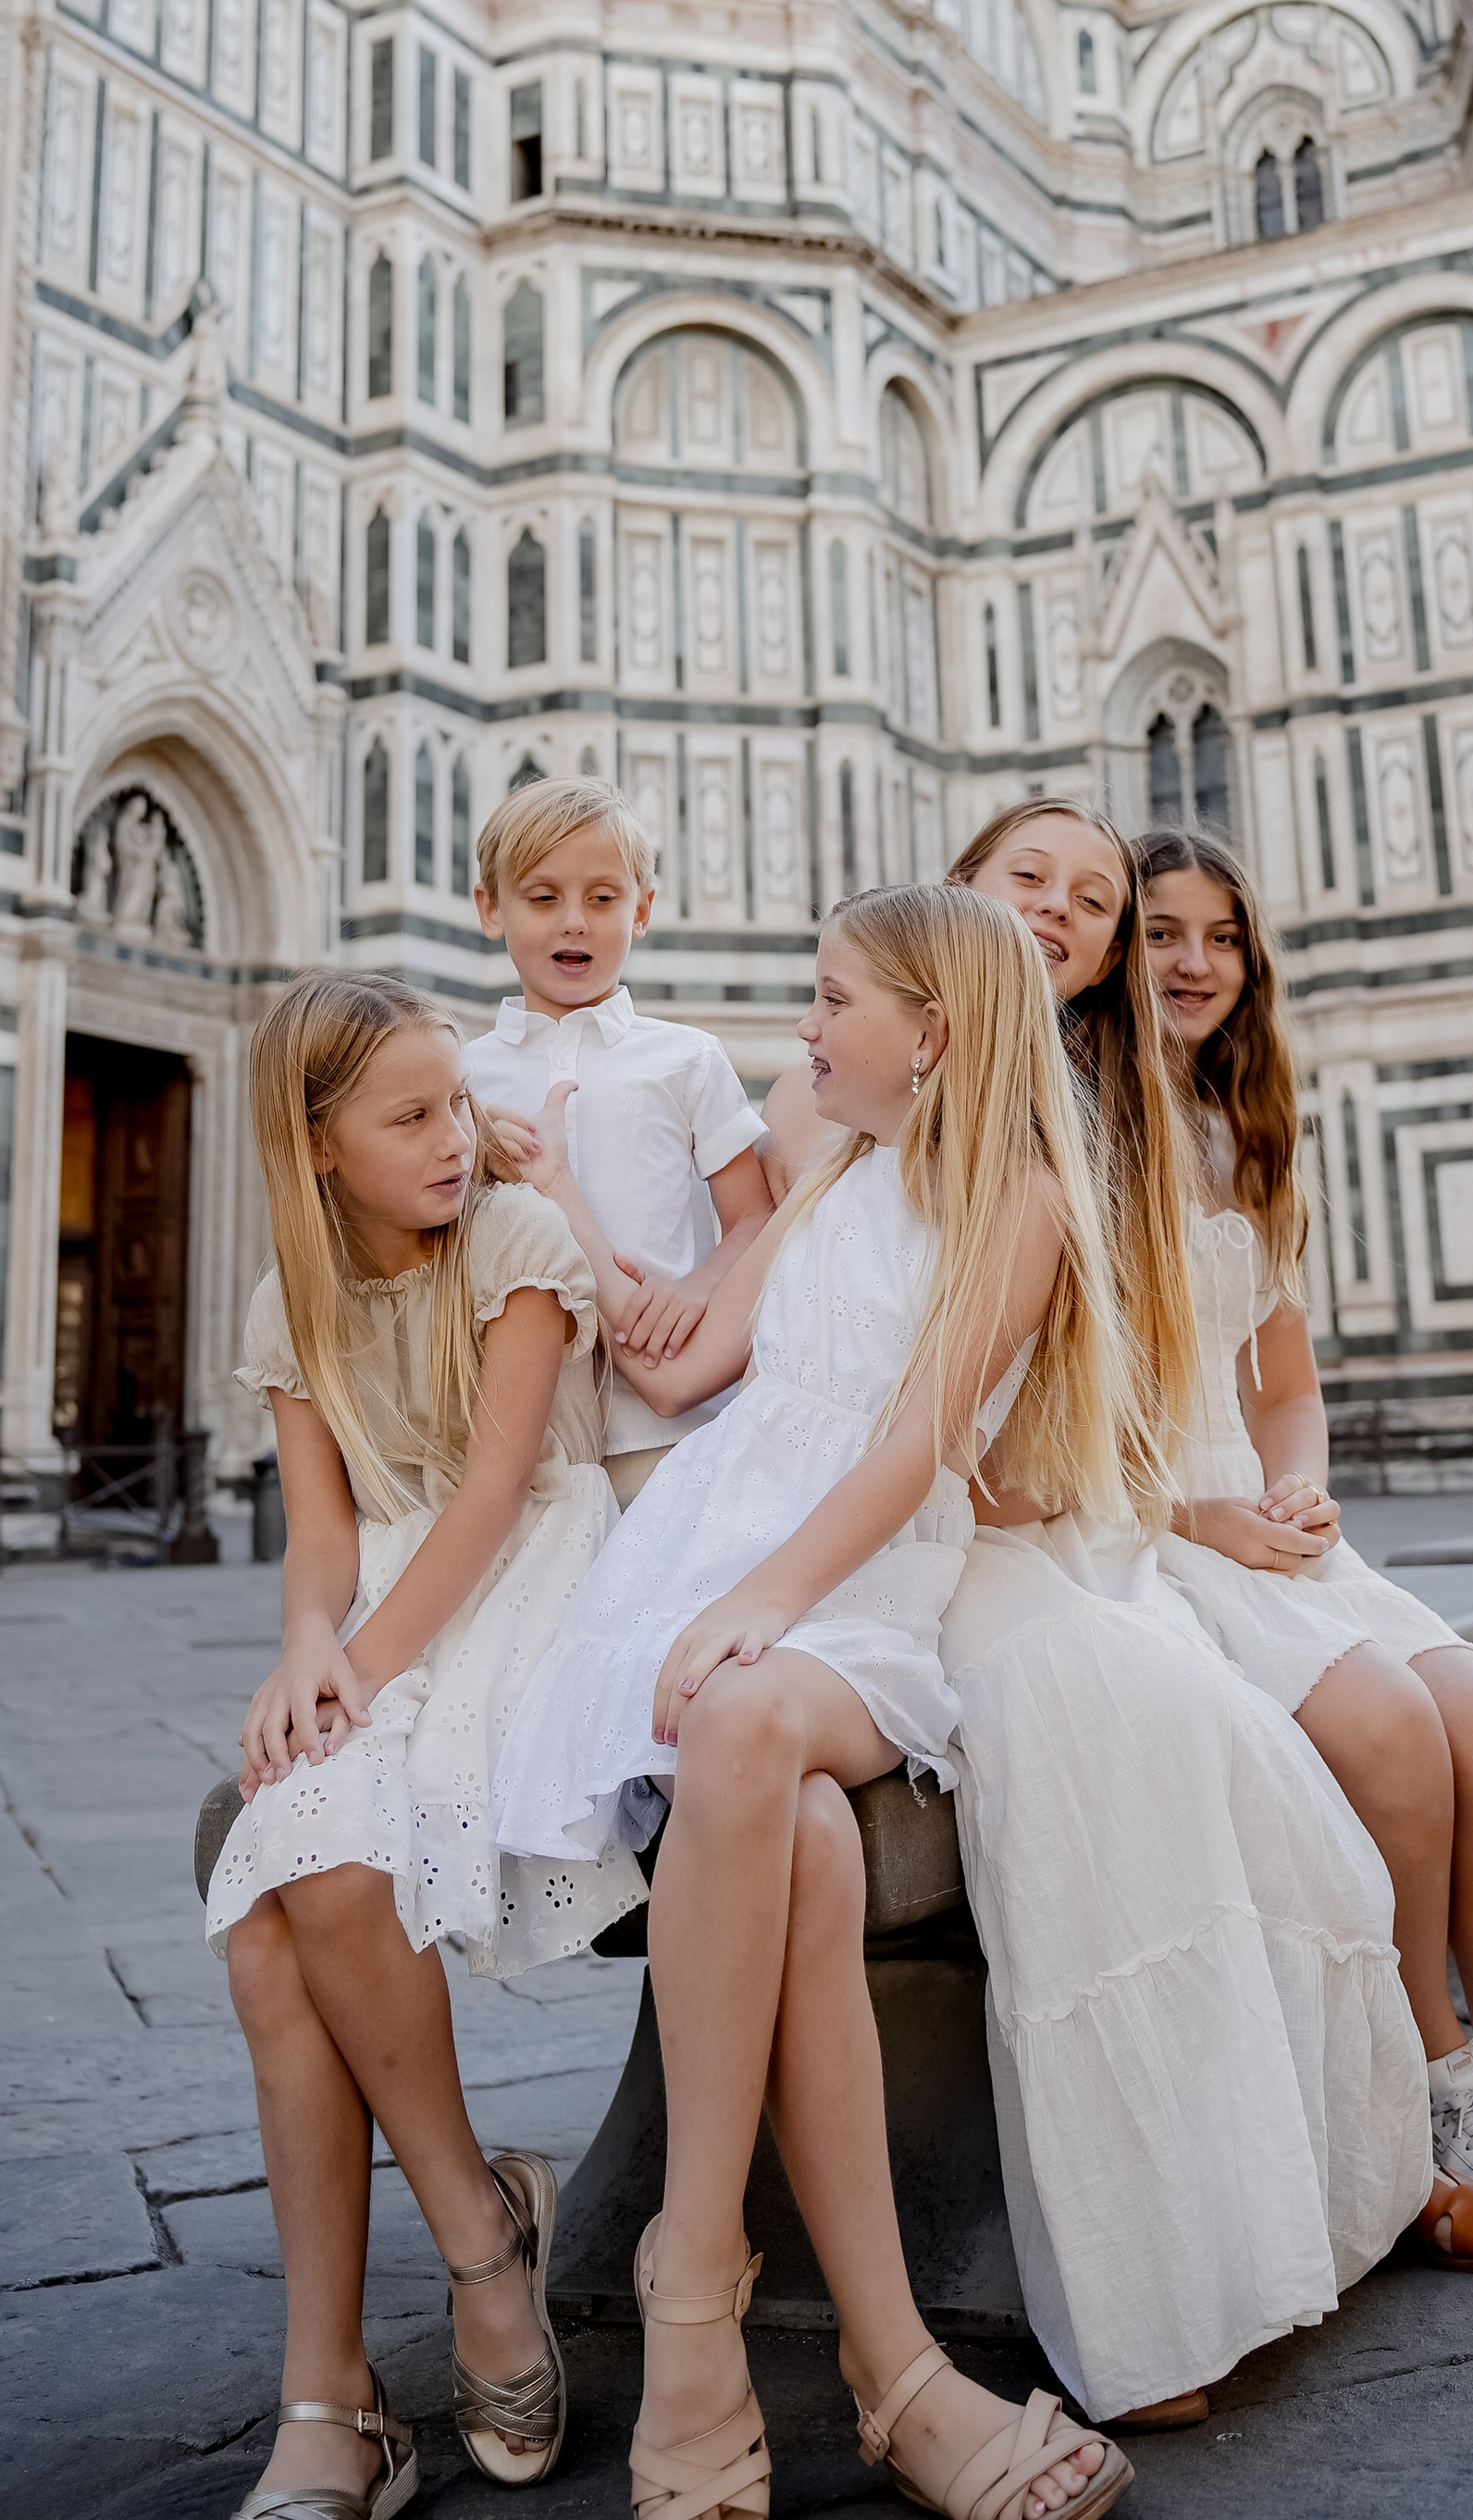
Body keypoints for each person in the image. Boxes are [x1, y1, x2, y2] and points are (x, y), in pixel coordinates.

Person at [792, 801, 1454, 2432]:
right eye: (1034, 883)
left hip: (1035, 1541)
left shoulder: (1062, 1146)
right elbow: (743, 1339)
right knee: (1112, 1759)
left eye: (1098, 900)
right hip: (902, 1568)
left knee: (1240, 1772)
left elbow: (1058, 1424)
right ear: (952, 904)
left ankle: (1301, 2213)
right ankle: (1163, 2297)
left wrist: (1044, 1487)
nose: (1071, 915)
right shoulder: (834, 1098)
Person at [493, 885, 1137, 2520]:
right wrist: (559, 1189)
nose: (803, 1024)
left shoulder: (1025, 1204)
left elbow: (918, 1434)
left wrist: (765, 1603)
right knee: (801, 1838)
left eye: (832, 997)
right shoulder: (829, 1152)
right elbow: (684, 1368)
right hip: (708, 1557)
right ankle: (896, 2369)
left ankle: (693, 2270)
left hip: (856, 1593)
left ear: (928, 1030)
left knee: (752, 1718)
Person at [1136, 825, 1473, 2228]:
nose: (1195, 961)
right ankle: (1435, 2081)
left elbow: (1288, 1383)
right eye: (1159, 931)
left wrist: (1298, 1484)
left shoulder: (1241, 1134)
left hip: (1259, 1513)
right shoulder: (1070, 1134)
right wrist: (1205, 1516)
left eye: (1221, 936)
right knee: (1388, 1727)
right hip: (1146, 1524)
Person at [205, 972, 636, 2513]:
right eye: (412, 1117)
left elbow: (496, 1491)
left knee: (297, 1894)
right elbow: (325, 1537)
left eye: (458, 1101)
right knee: (268, 1922)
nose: (456, 1136)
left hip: (530, 1595)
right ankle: (453, 2264)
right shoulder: (288, 1300)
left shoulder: (515, 1244)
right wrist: (308, 1655)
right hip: (394, 1601)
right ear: (317, 1147)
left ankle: (354, 2381)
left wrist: (361, 1676)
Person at [464, 777, 772, 1509]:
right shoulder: (464, 1074)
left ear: (641, 910)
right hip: (515, 1433)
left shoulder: (687, 1058)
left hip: (665, 1435)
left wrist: (694, 1289)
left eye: (602, 899)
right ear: (490, 909)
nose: (574, 922)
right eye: (542, 899)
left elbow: (757, 1219)